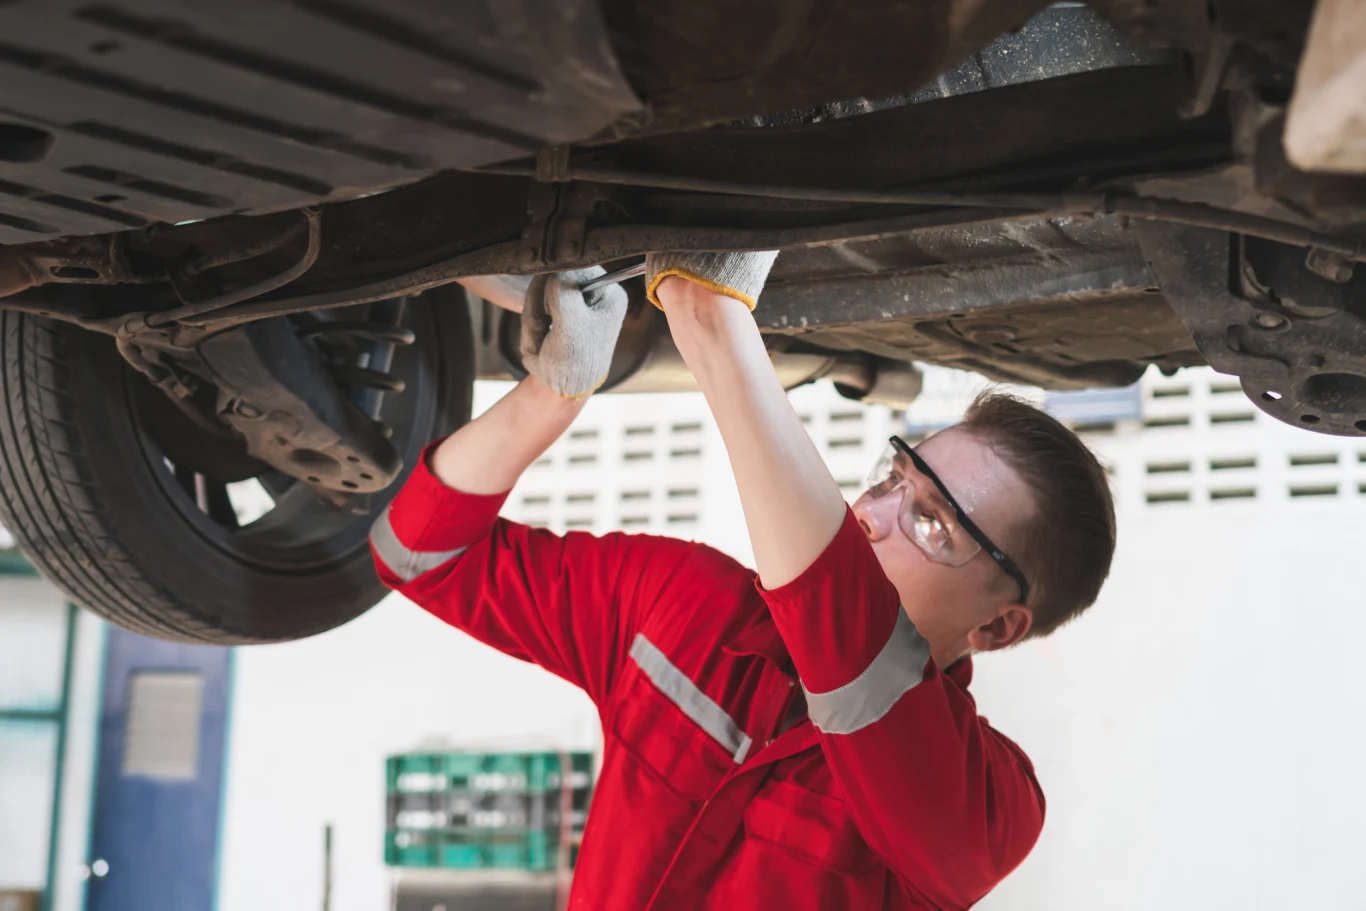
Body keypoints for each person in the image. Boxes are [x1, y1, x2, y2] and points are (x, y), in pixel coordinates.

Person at [370, 252, 1116, 910]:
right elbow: (417, 554)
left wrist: (715, 323)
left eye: (932, 523)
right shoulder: (686, 607)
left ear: (997, 625)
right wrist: (556, 389)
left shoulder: (987, 806)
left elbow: (854, 663)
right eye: (894, 477)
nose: (870, 514)